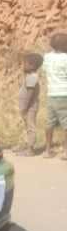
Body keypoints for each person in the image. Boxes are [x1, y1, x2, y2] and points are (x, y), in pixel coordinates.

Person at [43, 31, 67, 159]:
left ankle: (47, 150)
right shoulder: (66, 58)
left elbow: (44, 69)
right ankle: (66, 151)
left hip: (51, 94)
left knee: (49, 123)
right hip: (64, 94)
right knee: (66, 123)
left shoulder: (47, 57)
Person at [15, 52, 43, 156]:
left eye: (25, 64)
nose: (23, 66)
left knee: (31, 127)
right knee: (28, 126)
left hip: (29, 107)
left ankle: (30, 150)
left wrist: (24, 107)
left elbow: (29, 94)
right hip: (28, 107)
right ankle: (27, 146)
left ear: (32, 66)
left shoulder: (32, 78)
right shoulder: (30, 76)